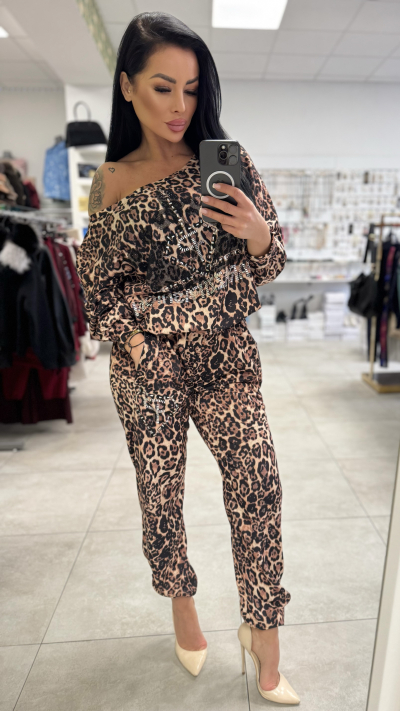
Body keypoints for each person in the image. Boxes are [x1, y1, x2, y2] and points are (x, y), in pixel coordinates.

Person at [76, 12, 299, 705]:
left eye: (193, 89)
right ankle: (183, 610)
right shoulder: (112, 180)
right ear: (128, 87)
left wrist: (257, 233)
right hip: (149, 366)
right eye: (163, 87)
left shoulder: (225, 160)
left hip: (226, 355)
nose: (180, 106)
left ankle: (265, 633)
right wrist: (139, 345)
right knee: (161, 494)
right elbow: (98, 293)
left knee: (259, 486)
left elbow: (272, 260)